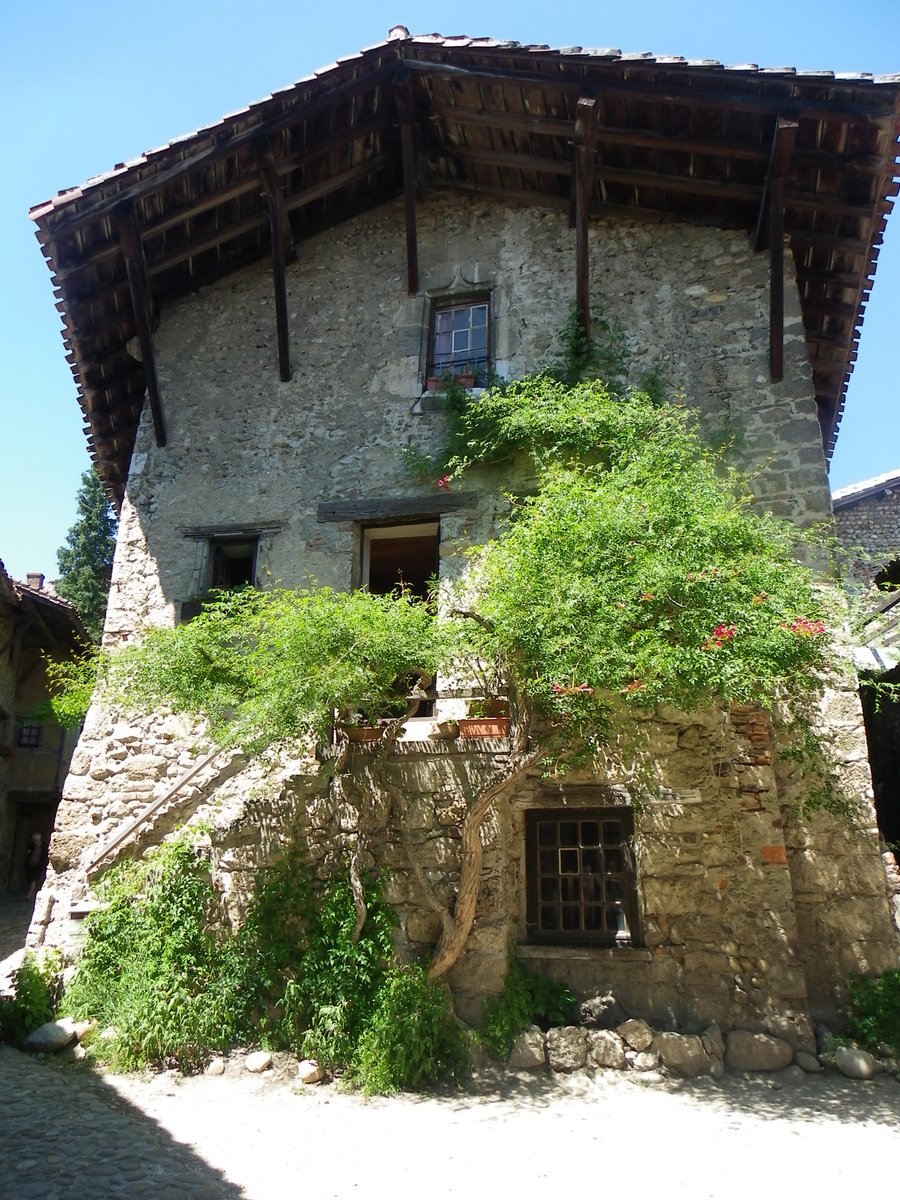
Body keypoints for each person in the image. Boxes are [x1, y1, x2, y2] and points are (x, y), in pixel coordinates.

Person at [24, 832, 46, 901]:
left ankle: (29, 896)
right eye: (34, 840)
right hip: (30, 865)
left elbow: (44, 856)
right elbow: (28, 855)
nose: (35, 841)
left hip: (38, 865)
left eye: (36, 840)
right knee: (30, 880)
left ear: (39, 839)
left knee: (34, 879)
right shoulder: (31, 846)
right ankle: (32, 893)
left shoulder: (44, 846)